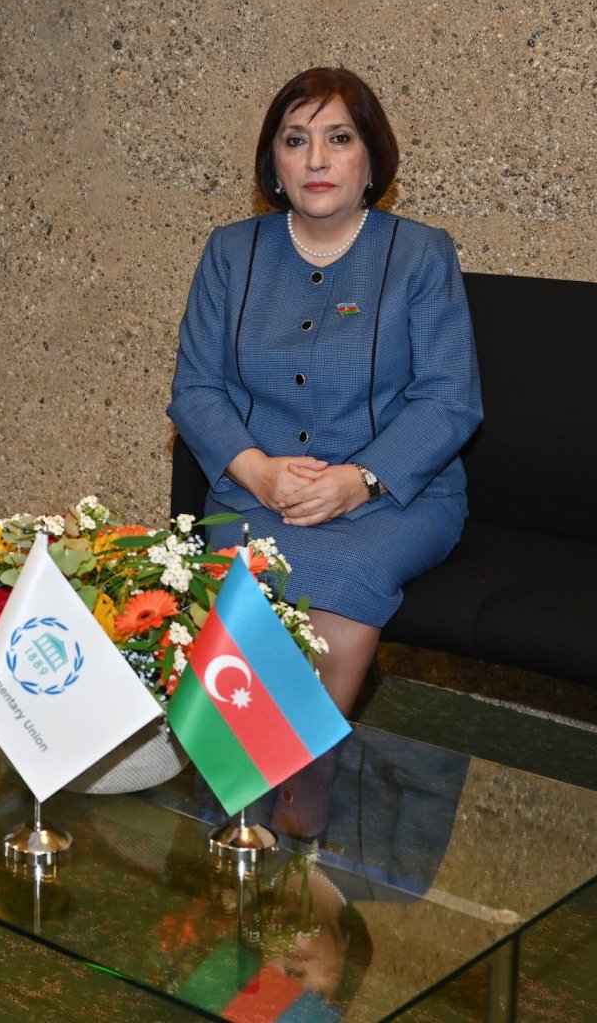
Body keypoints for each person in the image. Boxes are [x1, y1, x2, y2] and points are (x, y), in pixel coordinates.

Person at [168, 66, 482, 717]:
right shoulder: (230, 253)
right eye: (295, 140)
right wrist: (258, 473)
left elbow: (449, 400)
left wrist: (358, 481)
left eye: (339, 138)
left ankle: (300, 767)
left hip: (395, 500)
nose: (316, 159)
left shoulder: (421, 255)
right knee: (244, 571)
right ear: (273, 164)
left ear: (371, 159)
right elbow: (196, 389)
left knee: (344, 574)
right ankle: (246, 762)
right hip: (257, 495)